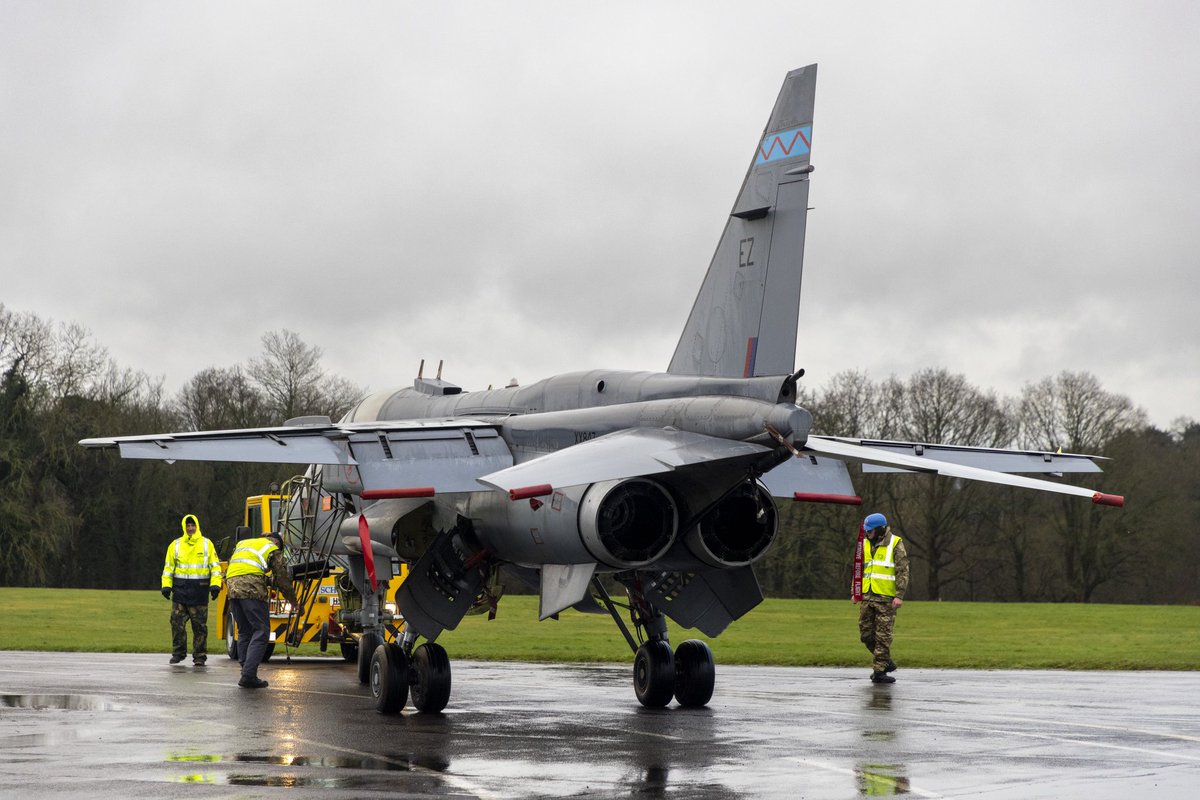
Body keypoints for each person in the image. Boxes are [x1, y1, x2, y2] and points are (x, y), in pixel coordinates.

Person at [225, 530, 298, 689]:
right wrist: (294, 602)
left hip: (232, 589)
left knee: (244, 630)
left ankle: (245, 670)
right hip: (252, 591)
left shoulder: (243, 544)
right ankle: (249, 675)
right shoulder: (272, 548)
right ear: (277, 543)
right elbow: (283, 580)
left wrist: (267, 579)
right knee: (262, 631)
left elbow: (243, 569)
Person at [852, 512, 909, 684]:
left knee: (883, 637)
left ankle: (879, 672)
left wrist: (899, 595)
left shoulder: (895, 543)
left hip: (886, 599)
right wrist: (855, 592)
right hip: (867, 597)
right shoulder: (864, 544)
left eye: (870, 531)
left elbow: (903, 571)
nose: (868, 534)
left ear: (880, 529)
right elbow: (858, 569)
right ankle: (886, 661)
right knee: (866, 635)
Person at [161, 514, 223, 666]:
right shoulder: (175, 545)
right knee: (176, 624)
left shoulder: (207, 544)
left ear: (197, 526)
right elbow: (169, 568)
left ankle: (200, 656)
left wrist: (216, 585)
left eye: (192, 525)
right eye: (188, 526)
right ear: (184, 527)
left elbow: (215, 566)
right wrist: (166, 586)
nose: (190, 528)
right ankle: (178, 653)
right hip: (180, 592)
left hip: (199, 592)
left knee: (200, 627)